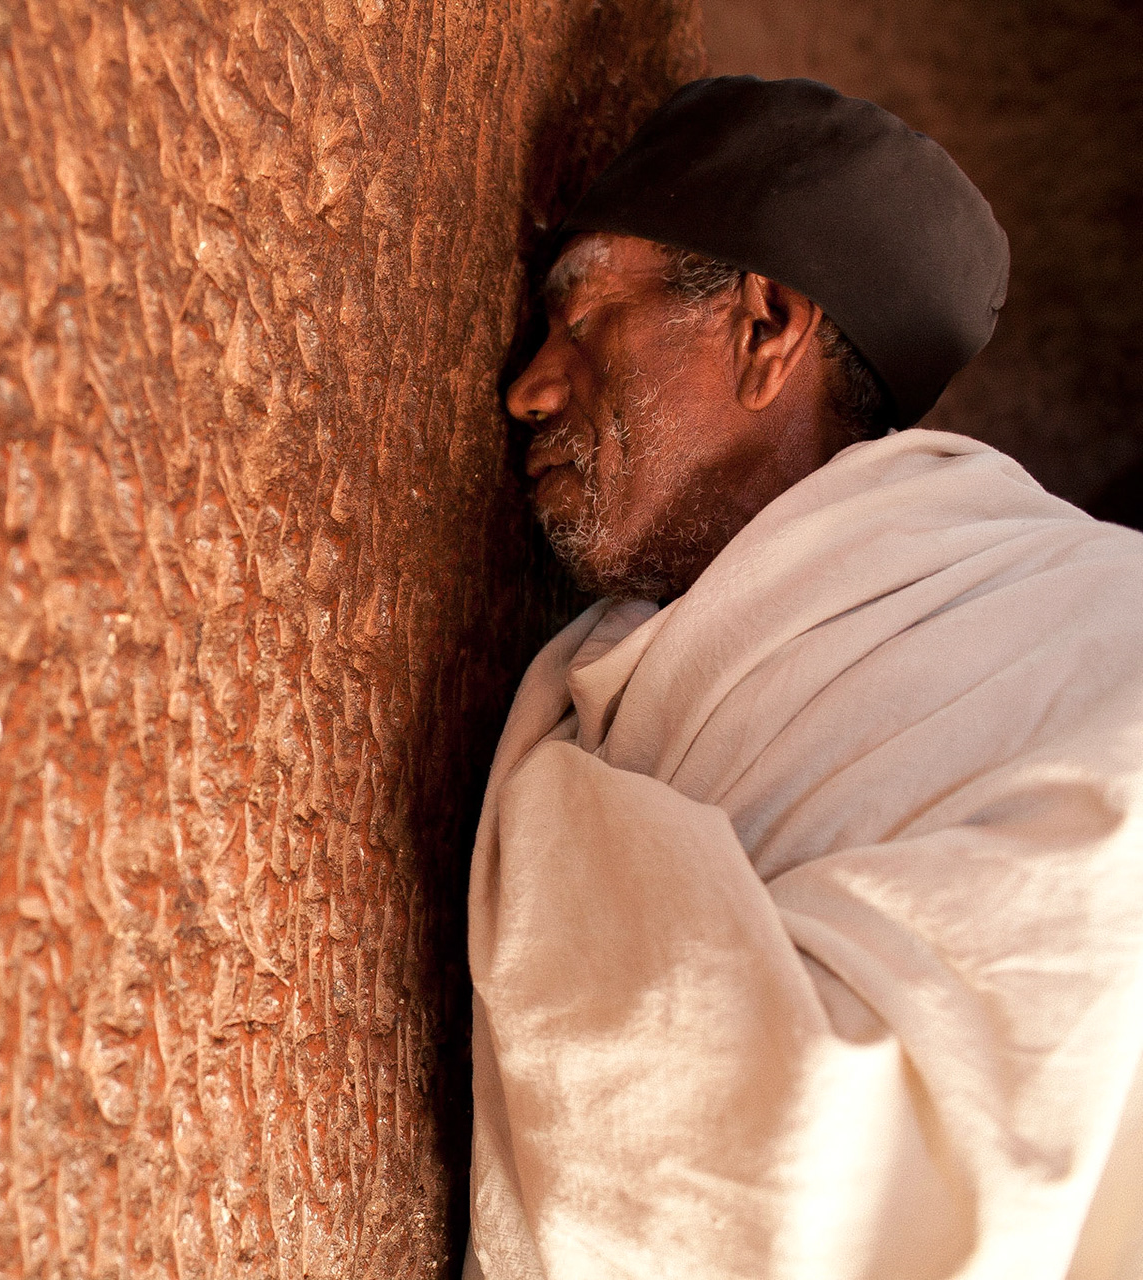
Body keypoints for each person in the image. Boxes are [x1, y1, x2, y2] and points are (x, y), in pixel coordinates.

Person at [466, 76, 1143, 1279]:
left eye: (585, 316)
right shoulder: (618, 688)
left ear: (766, 326)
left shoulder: (1090, 626)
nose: (530, 386)